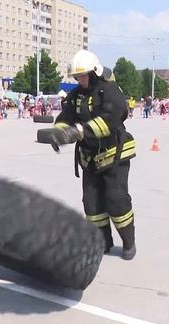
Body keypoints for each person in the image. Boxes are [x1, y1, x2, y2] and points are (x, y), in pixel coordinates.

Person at [48, 49, 137, 260]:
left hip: (114, 154)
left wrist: (78, 132)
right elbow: (65, 116)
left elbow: (110, 121)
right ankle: (102, 242)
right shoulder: (75, 95)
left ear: (95, 72)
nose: (80, 80)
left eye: (83, 76)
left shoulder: (110, 91)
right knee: (92, 204)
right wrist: (58, 132)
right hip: (89, 158)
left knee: (116, 200)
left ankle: (128, 242)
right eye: (77, 77)